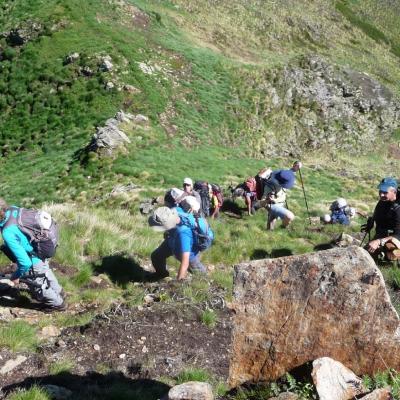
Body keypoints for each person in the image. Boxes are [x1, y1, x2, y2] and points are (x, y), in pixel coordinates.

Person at [0, 199, 65, 311]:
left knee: (38, 286)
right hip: (40, 248)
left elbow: (25, 263)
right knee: (46, 272)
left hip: (32, 260)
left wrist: (15, 277)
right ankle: (60, 292)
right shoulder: (12, 209)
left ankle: (57, 304)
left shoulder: (7, 232)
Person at [149, 202, 213, 280]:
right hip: (171, 241)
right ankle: (162, 275)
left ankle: (204, 281)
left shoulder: (183, 233)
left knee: (199, 274)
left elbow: (185, 262)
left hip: (188, 253)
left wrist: (177, 283)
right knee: (156, 256)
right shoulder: (175, 211)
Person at [364, 177, 400, 258]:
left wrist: (379, 241)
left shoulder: (398, 209)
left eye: (385, 192)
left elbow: (398, 234)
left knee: (391, 254)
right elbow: (377, 213)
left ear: (394, 191)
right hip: (383, 234)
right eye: (380, 191)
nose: (381, 194)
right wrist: (371, 221)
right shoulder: (383, 201)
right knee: (366, 252)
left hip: (395, 238)